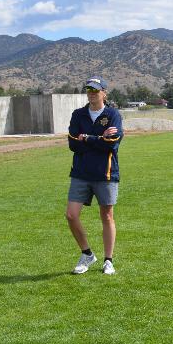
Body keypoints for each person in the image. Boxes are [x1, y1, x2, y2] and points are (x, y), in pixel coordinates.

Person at [66, 76, 123, 276]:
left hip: (105, 174)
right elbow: (73, 143)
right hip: (81, 172)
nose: (91, 93)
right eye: (88, 89)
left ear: (104, 93)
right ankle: (87, 254)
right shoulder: (78, 114)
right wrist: (100, 138)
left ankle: (108, 260)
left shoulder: (113, 114)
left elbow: (113, 142)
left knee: (107, 216)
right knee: (71, 215)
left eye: (95, 90)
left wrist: (88, 138)